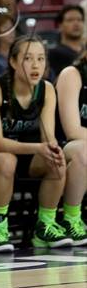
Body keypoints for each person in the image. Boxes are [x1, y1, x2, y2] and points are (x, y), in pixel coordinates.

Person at [0, 35, 70, 251]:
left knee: (57, 159)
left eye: (41, 58)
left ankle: (45, 225)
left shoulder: (46, 89)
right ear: (13, 62)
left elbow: (48, 137)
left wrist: (52, 149)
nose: (36, 65)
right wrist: (38, 148)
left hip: (26, 159)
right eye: (28, 58)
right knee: (7, 160)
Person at [56, 51, 87, 245]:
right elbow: (72, 130)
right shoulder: (72, 74)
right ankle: (71, 218)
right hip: (62, 146)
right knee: (84, 150)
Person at [49, 5, 85, 78]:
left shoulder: (84, 49)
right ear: (60, 25)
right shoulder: (52, 54)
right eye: (70, 20)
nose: (76, 24)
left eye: (79, 20)